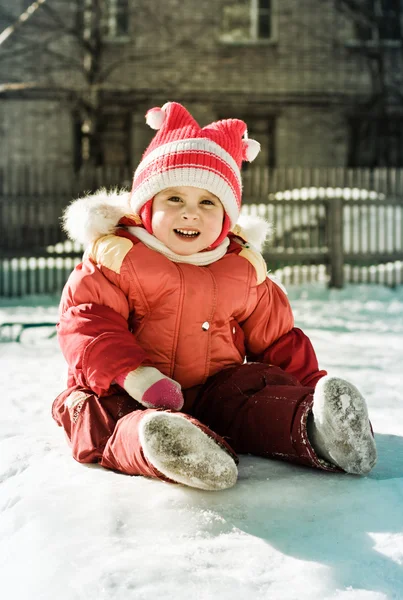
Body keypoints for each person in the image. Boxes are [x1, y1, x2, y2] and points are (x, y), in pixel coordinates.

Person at [52, 101, 377, 491]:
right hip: (124, 388)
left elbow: (278, 340)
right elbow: (88, 323)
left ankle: (317, 428)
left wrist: (308, 388)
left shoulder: (241, 268)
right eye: (174, 199)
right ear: (146, 207)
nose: (190, 214)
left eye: (207, 202)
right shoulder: (117, 257)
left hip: (213, 390)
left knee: (252, 392)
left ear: (226, 218)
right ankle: (161, 443)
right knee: (98, 417)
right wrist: (136, 376)